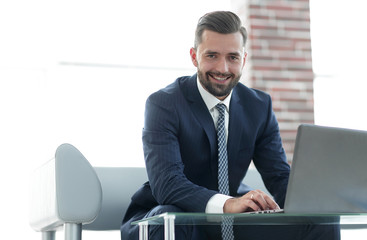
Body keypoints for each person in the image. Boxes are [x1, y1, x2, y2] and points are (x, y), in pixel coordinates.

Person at [121, 11, 340, 240]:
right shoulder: (164, 104)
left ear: (243, 59)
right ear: (194, 57)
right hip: (166, 216)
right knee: (174, 220)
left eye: (232, 57)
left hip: (231, 220)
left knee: (321, 220)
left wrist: (318, 202)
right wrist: (228, 204)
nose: (223, 68)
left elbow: (279, 177)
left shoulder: (259, 106)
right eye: (212, 56)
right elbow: (168, 184)